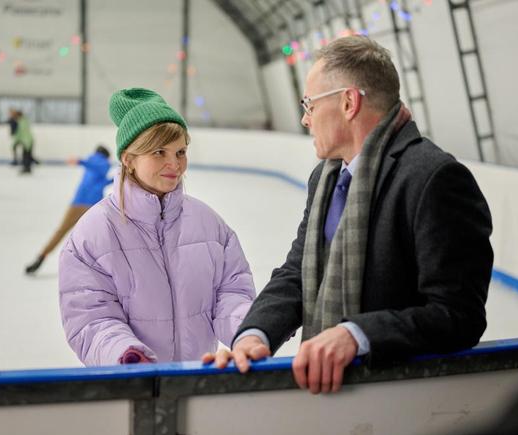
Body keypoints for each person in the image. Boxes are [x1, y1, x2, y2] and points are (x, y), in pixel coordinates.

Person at [204, 35, 493, 394]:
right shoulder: (326, 178)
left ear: (348, 102)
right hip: (330, 395)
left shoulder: (433, 178)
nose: (304, 119)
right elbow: (297, 273)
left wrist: (357, 335)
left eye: (309, 104)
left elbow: (458, 315)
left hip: (401, 398)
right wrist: (254, 333)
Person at [59, 88, 256, 365]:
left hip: (199, 384)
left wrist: (248, 333)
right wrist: (127, 355)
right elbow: (92, 318)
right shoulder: (92, 235)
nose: (174, 164)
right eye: (159, 152)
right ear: (129, 159)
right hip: (133, 385)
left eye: (181, 152)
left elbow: (232, 291)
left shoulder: (209, 224)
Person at [25, 145, 114, 275]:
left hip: (79, 202)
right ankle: (105, 264)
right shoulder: (100, 162)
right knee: (98, 235)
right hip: (92, 205)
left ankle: (41, 256)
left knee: (62, 230)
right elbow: (99, 167)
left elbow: (100, 179)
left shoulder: (92, 162)